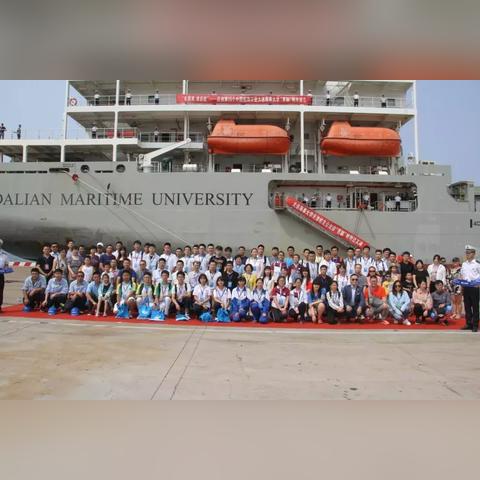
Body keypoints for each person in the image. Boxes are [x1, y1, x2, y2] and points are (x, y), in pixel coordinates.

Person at [460, 245, 480, 332]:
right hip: (466, 287)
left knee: (475, 307)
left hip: (474, 287)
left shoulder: (477, 264)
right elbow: (462, 275)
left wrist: (478, 284)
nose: (467, 254)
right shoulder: (464, 264)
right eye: (466, 253)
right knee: (467, 306)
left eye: (469, 253)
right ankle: (469, 323)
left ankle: (475, 325)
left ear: (473, 253)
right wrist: (461, 286)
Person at [0, 239, 8, 312]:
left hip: (1, 274)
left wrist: (6, 269)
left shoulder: (4, 255)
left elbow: (6, 265)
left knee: (0, 291)